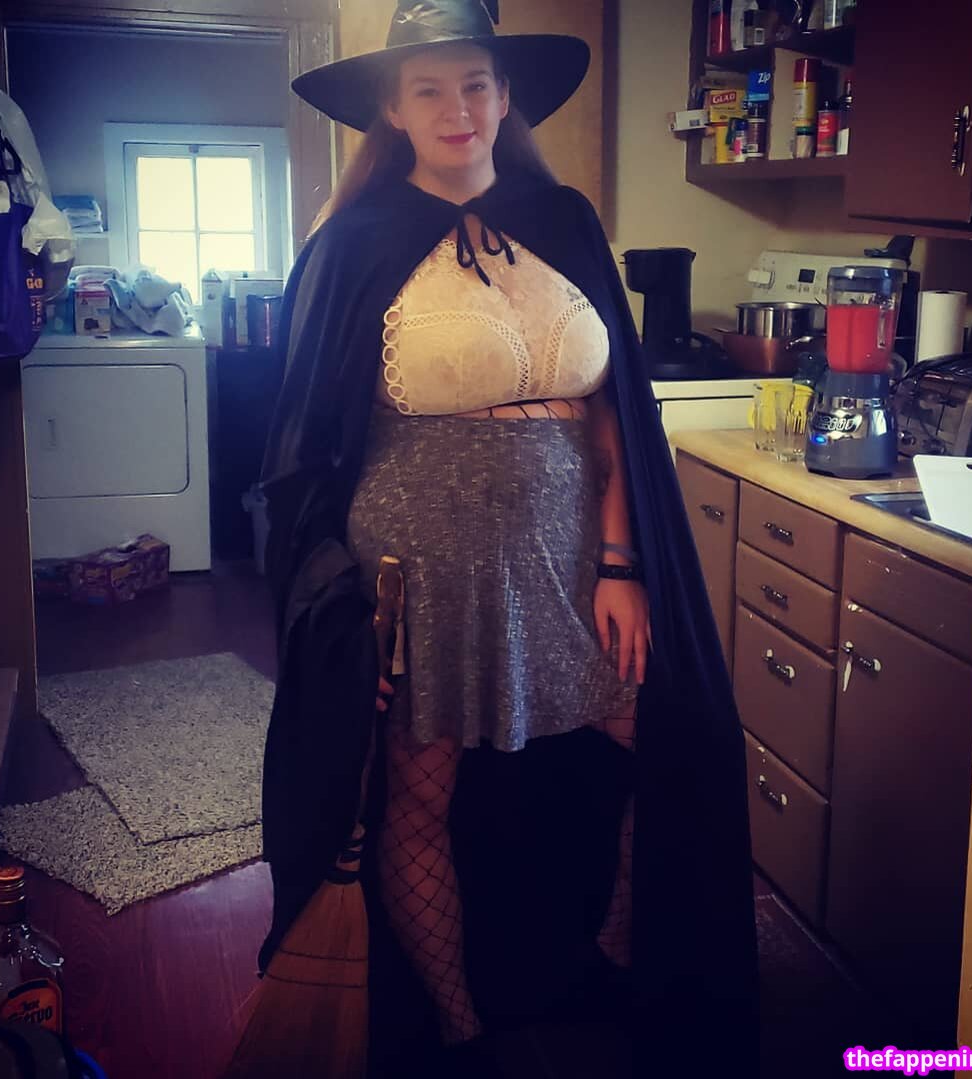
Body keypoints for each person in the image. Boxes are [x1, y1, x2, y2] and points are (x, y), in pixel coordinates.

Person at [257, 2, 760, 1076]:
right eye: (429, 88)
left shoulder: (565, 221)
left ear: (505, 96)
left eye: (475, 83)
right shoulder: (352, 244)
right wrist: (337, 602)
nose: (457, 108)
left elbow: (611, 404)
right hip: (418, 566)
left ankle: (615, 948)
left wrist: (622, 560)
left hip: (575, 557)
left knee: (666, 738)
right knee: (420, 790)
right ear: (393, 110)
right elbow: (306, 441)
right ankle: (454, 1018)